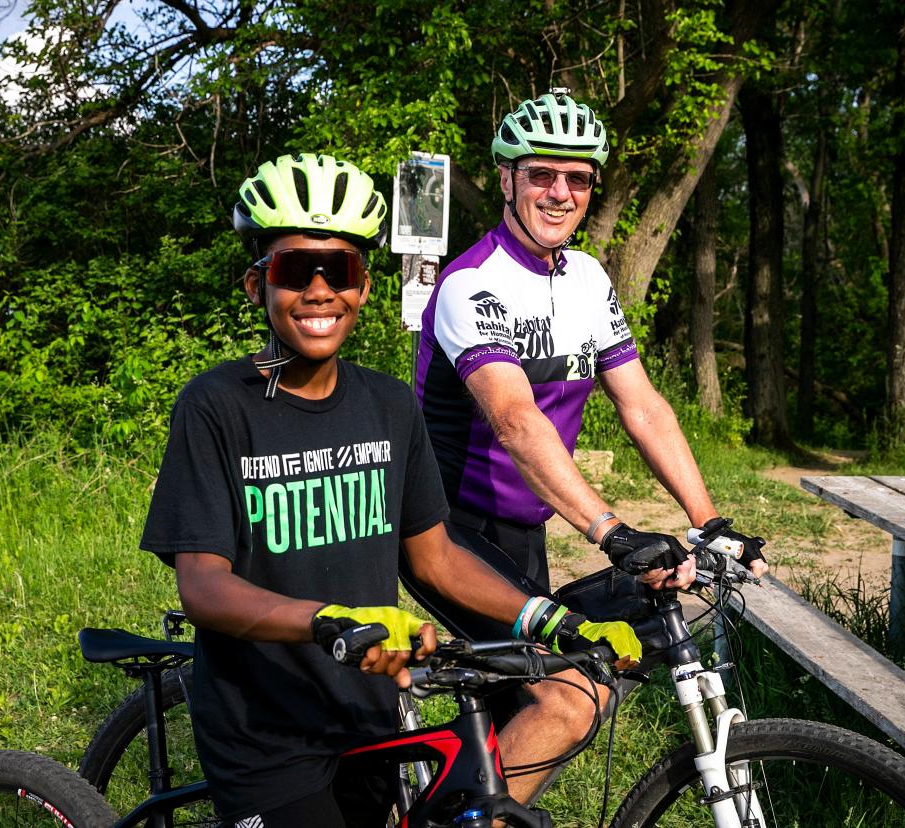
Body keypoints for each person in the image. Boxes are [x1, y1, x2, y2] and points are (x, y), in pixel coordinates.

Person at [139, 152, 641, 828]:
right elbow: (202, 586)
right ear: (256, 285)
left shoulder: (388, 405)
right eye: (294, 270)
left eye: (339, 270)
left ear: (365, 288)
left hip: (371, 714)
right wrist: (329, 621)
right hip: (265, 734)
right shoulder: (217, 406)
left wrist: (547, 618)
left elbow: (435, 559)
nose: (319, 290)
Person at [406, 90, 769, 802]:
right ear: (507, 178)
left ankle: (468, 806)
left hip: (522, 531)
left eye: (578, 178)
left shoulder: (588, 279)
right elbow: (515, 421)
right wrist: (611, 531)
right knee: (571, 698)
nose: (560, 192)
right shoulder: (470, 284)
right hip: (444, 528)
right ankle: (452, 817)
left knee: (556, 697)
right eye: (542, 173)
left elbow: (642, 406)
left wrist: (707, 519)